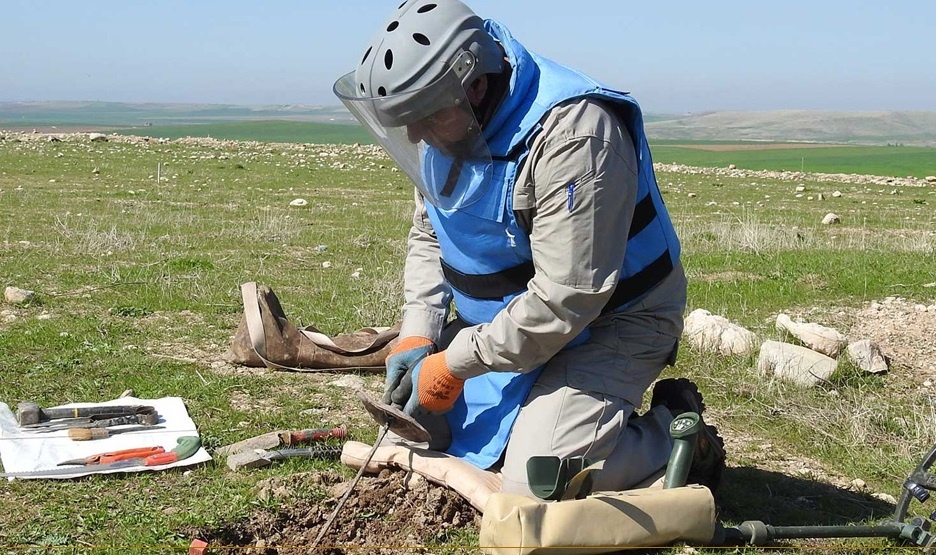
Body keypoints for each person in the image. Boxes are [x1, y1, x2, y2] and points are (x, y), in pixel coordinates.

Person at [333, 0, 725, 497]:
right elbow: (432, 232)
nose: (413, 135)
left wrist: (455, 363)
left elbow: (568, 300)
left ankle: (677, 436)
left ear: (474, 84)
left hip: (611, 322)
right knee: (422, 433)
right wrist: (418, 333)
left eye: (423, 118)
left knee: (536, 484)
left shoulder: (576, 136)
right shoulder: (446, 125)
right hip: (502, 321)